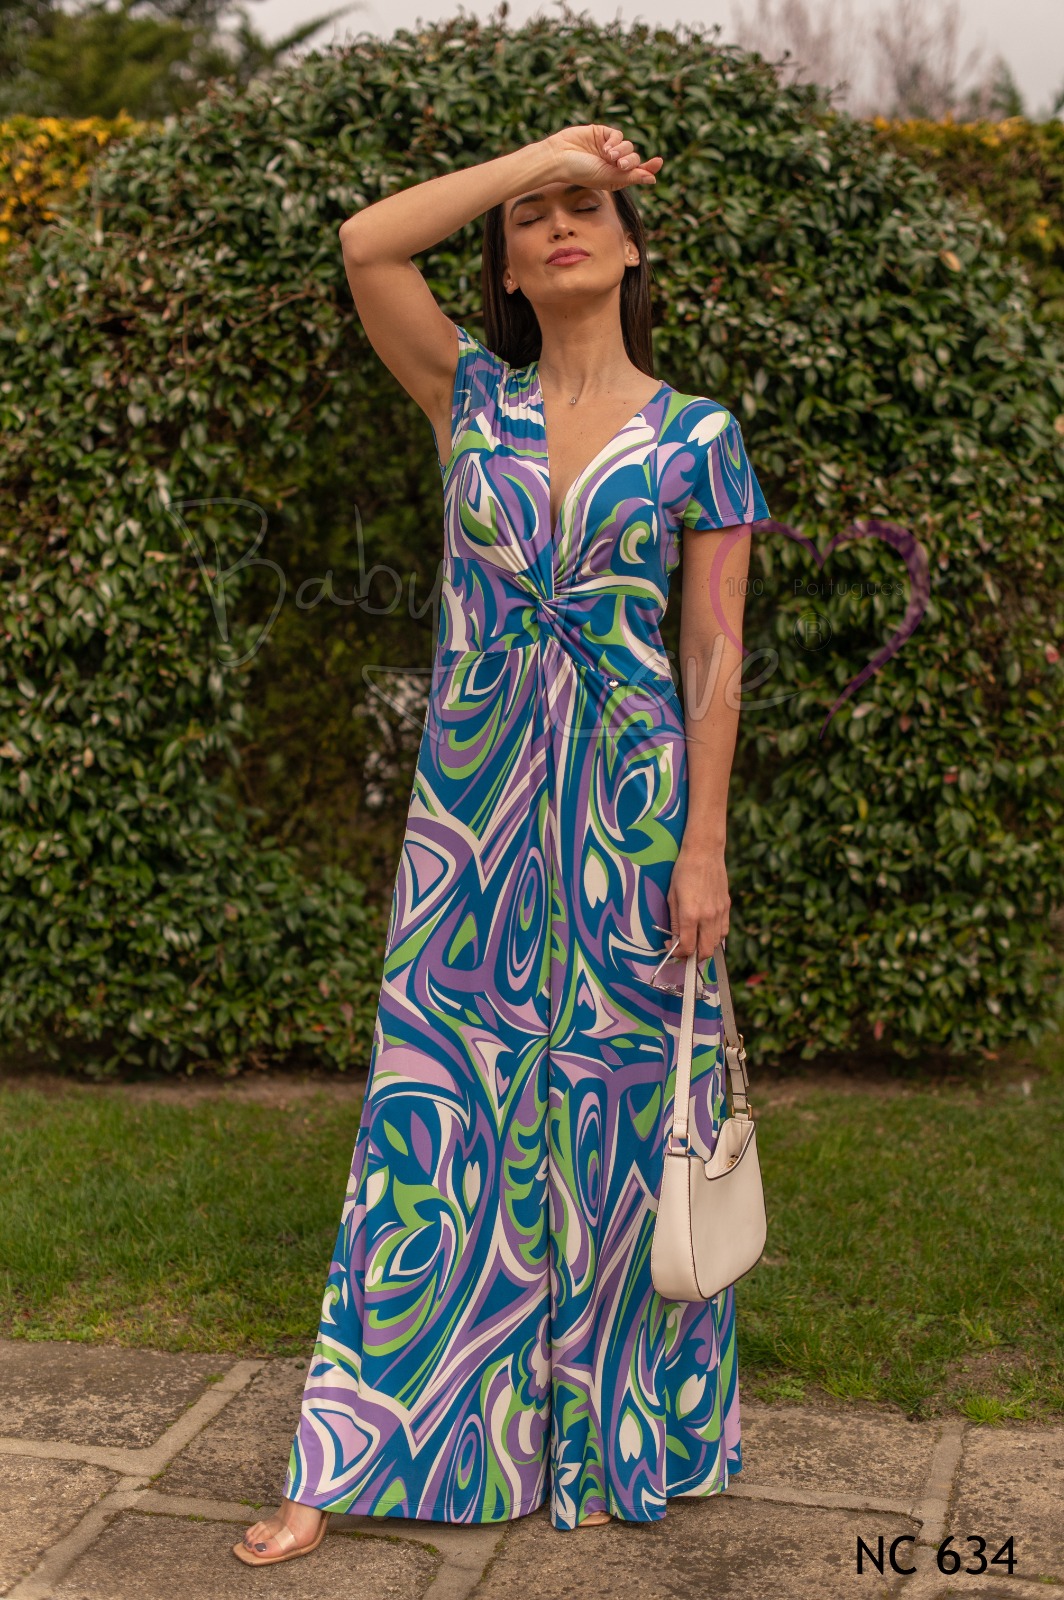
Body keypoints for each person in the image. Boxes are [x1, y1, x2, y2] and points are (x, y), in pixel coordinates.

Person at [235, 122, 771, 1568]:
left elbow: (714, 653)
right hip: (471, 824)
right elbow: (368, 244)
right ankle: (348, 1451)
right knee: (435, 1117)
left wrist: (704, 845)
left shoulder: (700, 436)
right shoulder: (468, 397)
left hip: (629, 816)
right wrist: (539, 149)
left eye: (584, 207)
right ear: (512, 272)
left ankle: (607, 1441)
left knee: (616, 1121)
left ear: (631, 248)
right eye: (531, 219)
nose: (557, 226)